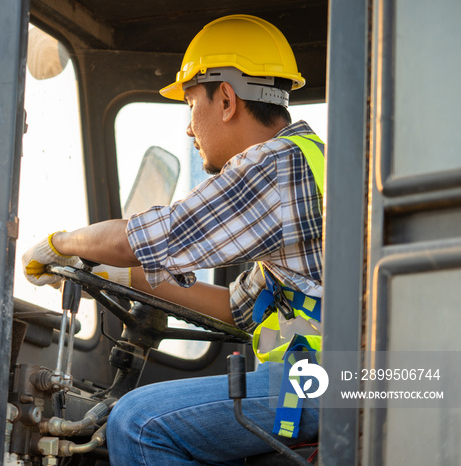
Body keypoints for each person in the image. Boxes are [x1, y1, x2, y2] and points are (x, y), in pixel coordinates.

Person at [22, 14, 322, 464]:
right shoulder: (303, 162)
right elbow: (235, 310)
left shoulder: (275, 165)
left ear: (225, 99)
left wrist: (60, 243)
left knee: (136, 423)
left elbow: (137, 238)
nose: (188, 127)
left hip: (323, 381)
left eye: (189, 104)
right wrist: (120, 275)